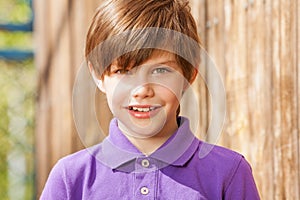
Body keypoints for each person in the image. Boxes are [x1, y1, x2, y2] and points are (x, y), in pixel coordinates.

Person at [40, 0, 260, 199]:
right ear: (98, 76)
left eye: (160, 71)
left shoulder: (229, 173)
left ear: (189, 75)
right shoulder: (70, 178)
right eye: (124, 71)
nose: (142, 90)